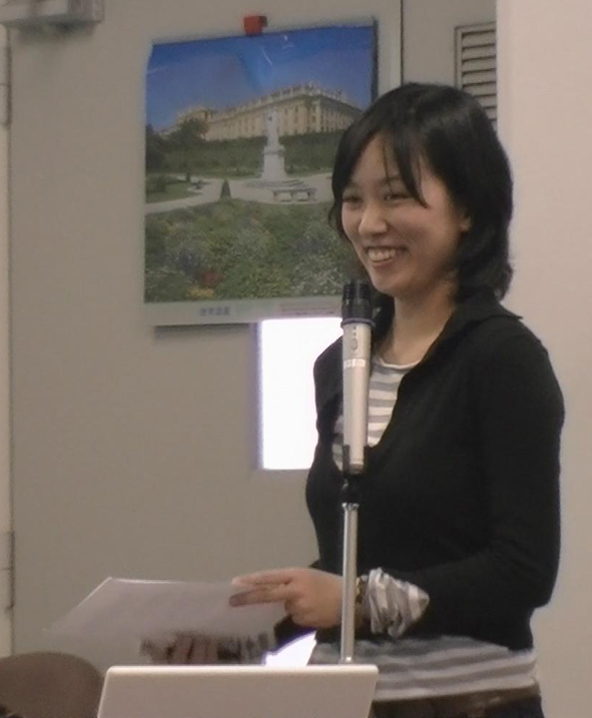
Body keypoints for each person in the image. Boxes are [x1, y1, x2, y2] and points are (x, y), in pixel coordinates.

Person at [154, 84, 564, 718]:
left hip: (469, 703)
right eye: (353, 199)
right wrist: (242, 635)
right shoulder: (342, 362)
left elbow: (523, 571)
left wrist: (354, 601)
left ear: (468, 209)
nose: (369, 223)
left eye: (395, 196)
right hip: (345, 701)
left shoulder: (502, 359)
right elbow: (354, 562)